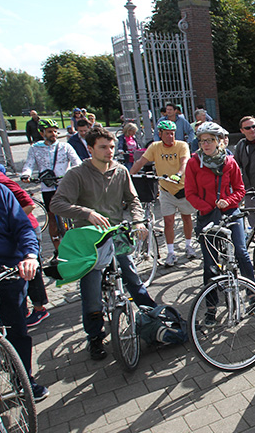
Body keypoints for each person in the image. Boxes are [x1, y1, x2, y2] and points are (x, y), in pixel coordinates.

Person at [50, 127, 158, 361]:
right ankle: (95, 337)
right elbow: (57, 204)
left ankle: (154, 317)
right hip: (89, 239)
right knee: (91, 290)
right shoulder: (77, 174)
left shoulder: (120, 171)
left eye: (111, 147)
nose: (109, 151)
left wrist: (138, 221)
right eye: (103, 147)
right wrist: (86, 213)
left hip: (116, 233)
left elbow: (133, 200)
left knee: (132, 276)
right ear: (90, 149)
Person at [0, 148, 49, 400]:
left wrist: (29, 256)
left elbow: (23, 227)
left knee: (17, 330)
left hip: (5, 271)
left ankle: (24, 380)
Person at [185, 122, 255, 317]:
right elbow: (190, 192)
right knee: (210, 262)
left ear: (218, 141)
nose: (206, 144)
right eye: (202, 141)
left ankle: (253, 295)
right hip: (207, 214)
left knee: (241, 252)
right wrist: (207, 207)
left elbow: (240, 189)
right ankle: (211, 306)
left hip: (229, 212)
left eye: (210, 140)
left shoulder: (229, 162)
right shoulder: (193, 163)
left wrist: (228, 201)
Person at [0, 158, 49, 327]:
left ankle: (39, 308)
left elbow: (29, 205)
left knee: (31, 273)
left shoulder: (1, 185)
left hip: (24, 232)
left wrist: (7, 223)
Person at [130, 120, 197, 265]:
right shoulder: (155, 147)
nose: (170, 136)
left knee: (186, 218)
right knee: (168, 221)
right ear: (160, 134)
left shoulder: (181, 145)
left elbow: (185, 162)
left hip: (183, 188)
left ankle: (188, 245)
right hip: (166, 191)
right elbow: (141, 161)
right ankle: (171, 252)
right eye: (167, 134)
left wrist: (178, 174)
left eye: (172, 133)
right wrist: (129, 177)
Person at [21, 119, 82, 254]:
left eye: (55, 131)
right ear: (42, 133)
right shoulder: (35, 148)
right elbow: (29, 164)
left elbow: (76, 162)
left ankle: (78, 242)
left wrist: (77, 173)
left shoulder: (65, 147)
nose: (53, 134)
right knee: (52, 216)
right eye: (50, 132)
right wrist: (26, 175)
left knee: (73, 212)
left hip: (65, 184)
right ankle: (58, 250)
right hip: (47, 186)